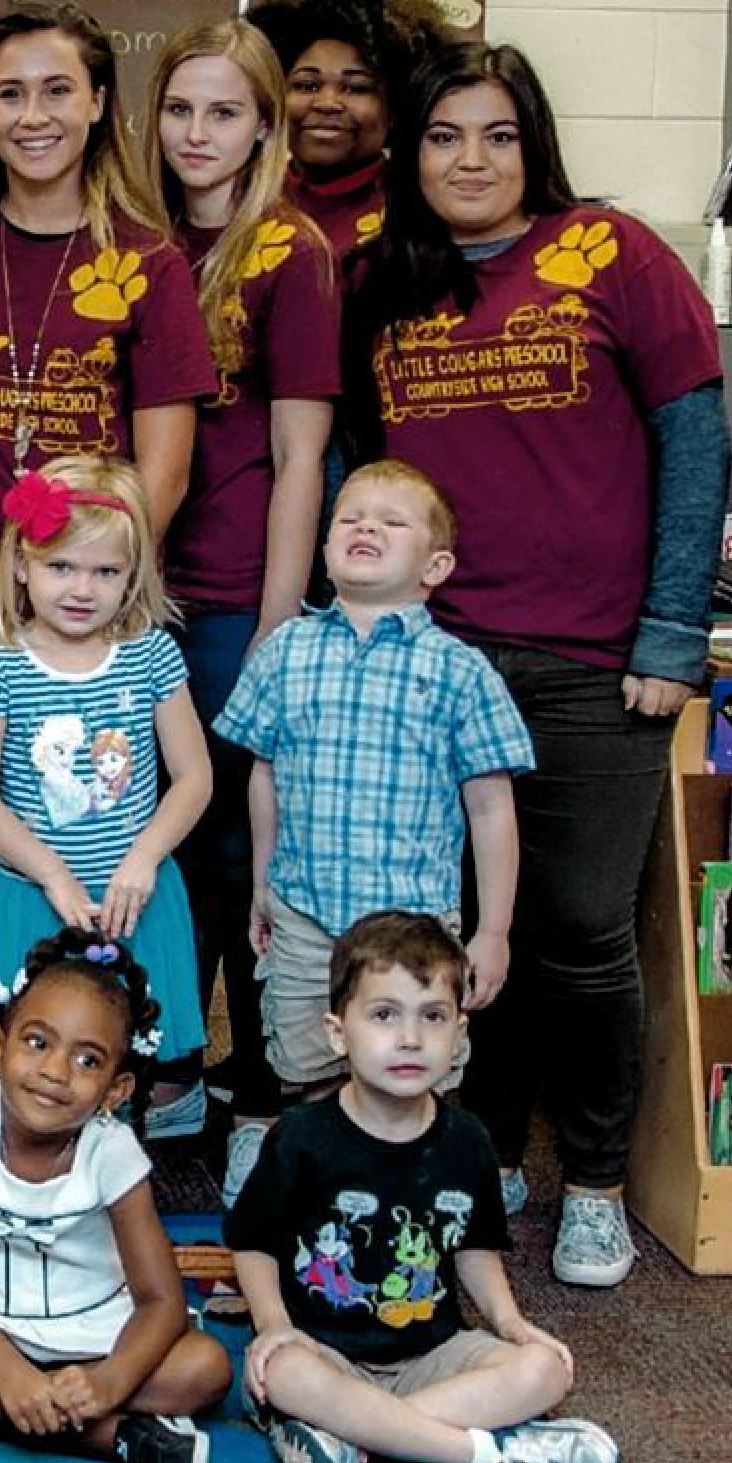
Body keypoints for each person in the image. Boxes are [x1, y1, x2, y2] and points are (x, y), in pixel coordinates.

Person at [340, 43, 724, 1288]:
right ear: (412, 155)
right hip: (431, 657)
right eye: (445, 136)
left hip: (591, 662)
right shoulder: (382, 280)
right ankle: (490, 1154)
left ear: (533, 145)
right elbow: (360, 471)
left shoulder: (614, 255)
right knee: (455, 928)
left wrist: (673, 630)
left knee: (576, 928)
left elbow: (695, 442)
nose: (470, 160)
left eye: (497, 135)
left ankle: (597, 1180)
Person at [0, 4, 215, 938]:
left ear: (101, 103)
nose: (35, 115)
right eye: (10, 94)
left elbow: (166, 467)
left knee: (98, 827)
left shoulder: (149, 263)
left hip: (86, 609)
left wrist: (84, 598)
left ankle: (105, 1040)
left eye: (59, 90)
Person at [212, 461, 534, 1206]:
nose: (365, 529)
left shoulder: (460, 671)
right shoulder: (285, 653)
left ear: (436, 565)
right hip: (305, 915)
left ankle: (408, 1210)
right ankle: (324, 1208)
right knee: (309, 1070)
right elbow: (264, 776)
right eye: (349, 518)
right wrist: (262, 885)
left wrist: (493, 933)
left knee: (411, 1072)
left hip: (415, 930)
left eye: (392, 522)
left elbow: (491, 807)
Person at [137, 18, 341, 1176]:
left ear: (263, 123)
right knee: (153, 837)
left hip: (232, 594)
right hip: (131, 590)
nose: (199, 133)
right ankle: (172, 1067)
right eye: (180, 110)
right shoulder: (133, 238)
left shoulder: (289, 252)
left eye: (224, 112)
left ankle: (258, 1082)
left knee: (237, 845)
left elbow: (302, 454)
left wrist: (275, 623)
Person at [225, 910, 622, 1463]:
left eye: (432, 1017)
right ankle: (480, 1455)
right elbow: (253, 1242)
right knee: (284, 1374)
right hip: (324, 1350)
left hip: (433, 1352)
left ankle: (356, 1440)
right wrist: (275, 1329)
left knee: (545, 1369)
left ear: (459, 1034)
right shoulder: (302, 1135)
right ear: (338, 1033)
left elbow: (474, 1249)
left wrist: (512, 1325)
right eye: (384, 1016)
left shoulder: (468, 1141)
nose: (410, 1039)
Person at [0, 928, 233, 1463]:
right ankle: (121, 1439)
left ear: (116, 1089)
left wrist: (107, 1382)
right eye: (37, 1042)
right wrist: (9, 1373)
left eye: (87, 1059)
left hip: (93, 1335)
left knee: (207, 1368)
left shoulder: (113, 1151)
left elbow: (161, 1301)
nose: (55, 1071)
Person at [0, 456, 213, 1125]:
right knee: (30, 1066)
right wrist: (53, 876)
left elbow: (195, 776)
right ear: (23, 564)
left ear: (133, 575)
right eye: (62, 567)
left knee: (117, 1063)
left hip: (133, 901)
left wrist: (143, 860)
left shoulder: (150, 654)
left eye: (105, 572)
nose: (82, 588)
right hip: (33, 898)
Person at [242, 0, 445, 260]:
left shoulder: (424, 215)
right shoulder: (239, 204)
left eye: (356, 88)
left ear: (395, 109)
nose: (327, 103)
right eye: (307, 85)